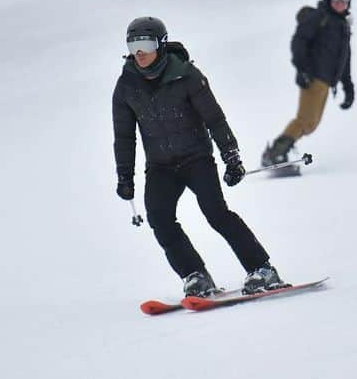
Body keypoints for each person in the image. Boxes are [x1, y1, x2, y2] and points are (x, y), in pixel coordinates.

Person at [112, 16, 286, 296]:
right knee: (159, 217)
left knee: (216, 213)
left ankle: (262, 268)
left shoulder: (187, 75)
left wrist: (231, 157)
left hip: (196, 159)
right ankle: (195, 275)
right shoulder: (126, 86)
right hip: (160, 166)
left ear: (162, 45)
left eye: (145, 43)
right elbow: (124, 137)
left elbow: (214, 119)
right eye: (133, 45)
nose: (139, 52)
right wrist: (125, 175)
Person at [261, 0, 355, 167]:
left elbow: (344, 60)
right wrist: (302, 70)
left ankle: (280, 151)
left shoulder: (342, 26)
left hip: (326, 81)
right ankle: (275, 154)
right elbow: (299, 41)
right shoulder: (321, 17)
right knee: (305, 120)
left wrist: (348, 87)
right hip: (313, 77)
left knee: (311, 124)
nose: (339, 3)